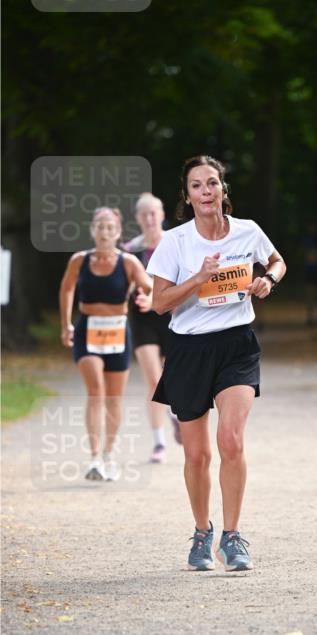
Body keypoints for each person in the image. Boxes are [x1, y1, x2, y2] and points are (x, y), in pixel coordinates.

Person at [147, 155, 286, 572]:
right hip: (189, 349)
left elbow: (277, 261)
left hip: (236, 344)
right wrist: (197, 278)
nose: (206, 192)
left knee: (231, 440)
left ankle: (233, 536)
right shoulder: (176, 242)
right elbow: (158, 303)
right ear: (187, 197)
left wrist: (268, 280)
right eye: (197, 186)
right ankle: (201, 533)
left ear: (223, 190)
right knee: (197, 455)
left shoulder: (247, 231)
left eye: (212, 183)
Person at [59, 206, 152, 481]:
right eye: (100, 226)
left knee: (113, 397)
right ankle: (95, 457)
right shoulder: (79, 260)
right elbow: (67, 289)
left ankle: (109, 454)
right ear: (93, 230)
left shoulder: (128, 263)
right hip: (88, 329)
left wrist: (146, 296)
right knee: (96, 390)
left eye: (110, 227)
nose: (105, 231)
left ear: (118, 232)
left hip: (117, 332)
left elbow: (149, 285)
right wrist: (66, 324)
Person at [123, 193, 182, 463]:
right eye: (144, 214)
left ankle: (175, 416)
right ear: (137, 218)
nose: (149, 218)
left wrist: (158, 298)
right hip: (143, 318)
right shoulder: (129, 250)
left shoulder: (176, 243)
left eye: (153, 213)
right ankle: (160, 440)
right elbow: (122, 287)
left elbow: (186, 279)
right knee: (154, 380)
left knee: (172, 378)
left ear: (161, 215)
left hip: (172, 316)